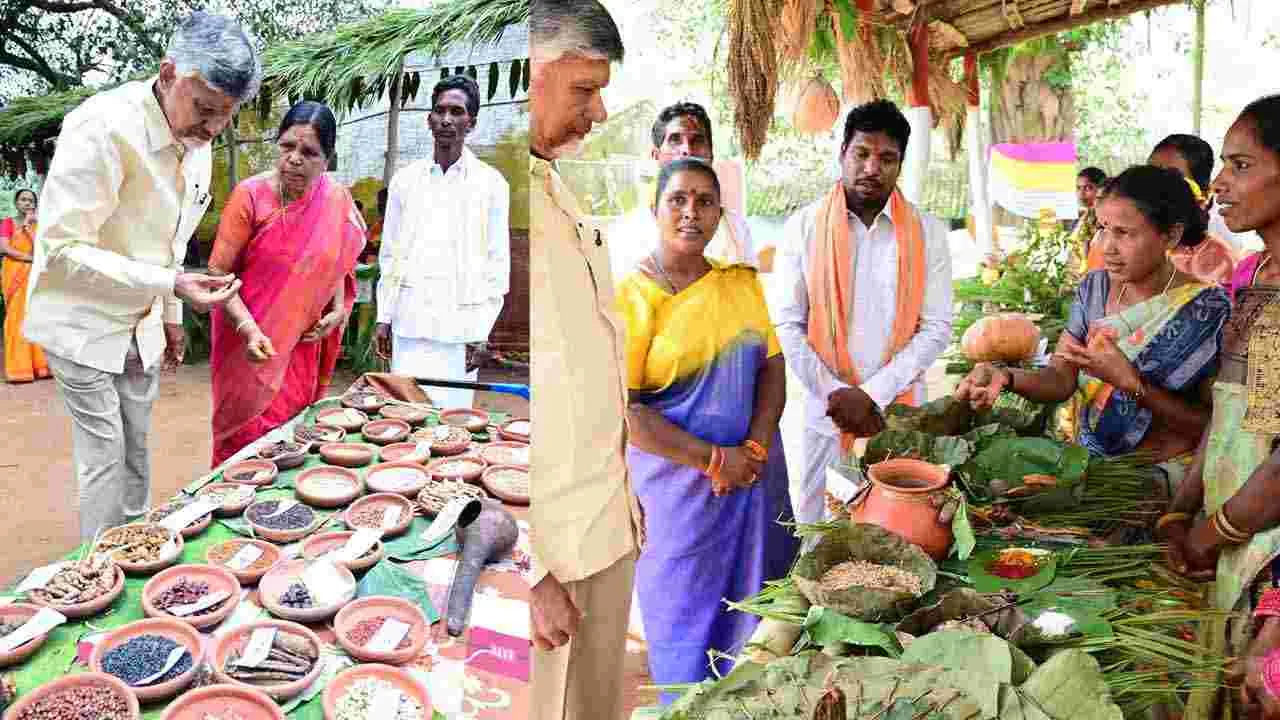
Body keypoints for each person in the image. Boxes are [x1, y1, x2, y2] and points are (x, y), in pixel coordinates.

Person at [23, 12, 255, 541]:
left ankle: (134, 550)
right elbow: (62, 248)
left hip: (142, 320)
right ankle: (99, 569)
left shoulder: (197, 142)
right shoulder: (101, 127)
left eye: (225, 117)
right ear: (169, 73)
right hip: (80, 321)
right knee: (105, 454)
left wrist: (170, 314)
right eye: (204, 110)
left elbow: (173, 242)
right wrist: (170, 286)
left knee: (137, 448)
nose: (212, 129)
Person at [618, 157, 797, 697]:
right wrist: (716, 461)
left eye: (704, 202)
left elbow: (772, 366)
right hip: (680, 494)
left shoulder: (739, 285)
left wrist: (753, 450)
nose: (690, 212)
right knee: (683, 612)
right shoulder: (632, 297)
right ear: (655, 209)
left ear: (720, 214)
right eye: (677, 199)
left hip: (755, 481)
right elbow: (627, 413)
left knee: (763, 615)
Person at [957, 165, 1229, 498]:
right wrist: (1005, 376)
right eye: (1103, 229)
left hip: (1159, 482)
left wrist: (1132, 384)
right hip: (1086, 464)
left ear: (1171, 236)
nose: (1107, 247)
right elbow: (1060, 378)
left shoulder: (1207, 311)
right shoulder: (1095, 289)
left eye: (1124, 233)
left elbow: (1213, 426)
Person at [527, 2, 643, 718]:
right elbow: (494, 400)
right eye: (584, 90)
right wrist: (529, 567)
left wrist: (625, 495)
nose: (599, 112)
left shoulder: (555, 191)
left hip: (601, 524)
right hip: (553, 554)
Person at [771, 99, 953, 525]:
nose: (872, 168)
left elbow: (936, 327)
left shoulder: (928, 233)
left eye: (886, 158)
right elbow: (787, 324)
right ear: (842, 154)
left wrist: (871, 395)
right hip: (825, 417)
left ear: (900, 164)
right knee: (821, 532)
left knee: (894, 534)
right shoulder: (804, 227)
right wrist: (835, 393)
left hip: (896, 416)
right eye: (862, 153)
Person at [1160, 95, 1280, 720]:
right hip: (1230, 541)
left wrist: (1209, 534)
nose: (1219, 184)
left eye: (1241, 165)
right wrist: (1180, 513)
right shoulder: (1251, 275)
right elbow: (1229, 412)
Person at [207, 101, 365, 465]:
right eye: (287, 146)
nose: (294, 159)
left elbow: (338, 259)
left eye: (309, 153)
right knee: (246, 449)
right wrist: (248, 329)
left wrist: (337, 309)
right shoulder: (250, 195)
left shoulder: (336, 198)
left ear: (327, 159)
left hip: (302, 344)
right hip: (251, 347)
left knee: (292, 442)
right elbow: (217, 274)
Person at [374, 75, 510, 410]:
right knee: (406, 415)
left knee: (452, 421)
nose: (447, 119)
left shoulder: (491, 184)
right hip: (409, 325)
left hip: (460, 332)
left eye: (457, 112)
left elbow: (497, 262)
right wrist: (384, 316)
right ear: (429, 119)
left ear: (471, 123)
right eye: (440, 110)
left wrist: (481, 331)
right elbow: (390, 255)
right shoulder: (405, 181)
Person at [607, 101, 757, 281]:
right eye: (675, 140)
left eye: (697, 140)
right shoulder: (627, 234)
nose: (687, 150)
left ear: (711, 155)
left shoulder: (736, 229)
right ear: (656, 156)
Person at [1147, 134, 1240, 285]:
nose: (1154, 191)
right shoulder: (1134, 243)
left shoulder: (1217, 262)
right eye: (1149, 177)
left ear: (1204, 195)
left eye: (1172, 181)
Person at [1, 189, 49, 383]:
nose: (27, 203)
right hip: (14, 273)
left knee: (36, 316)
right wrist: (30, 259)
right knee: (16, 317)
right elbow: (4, 248)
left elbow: (42, 250)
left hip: (34, 275)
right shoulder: (7, 223)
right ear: (16, 202)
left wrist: (29, 227)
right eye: (23, 200)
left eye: (31, 200)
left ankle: (40, 366)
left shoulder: (39, 225)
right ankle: (18, 368)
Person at [1071, 167, 1106, 269]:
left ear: (1102, 189)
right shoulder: (1080, 219)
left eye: (1088, 188)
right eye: (1078, 188)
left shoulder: (1107, 221)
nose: (1081, 194)